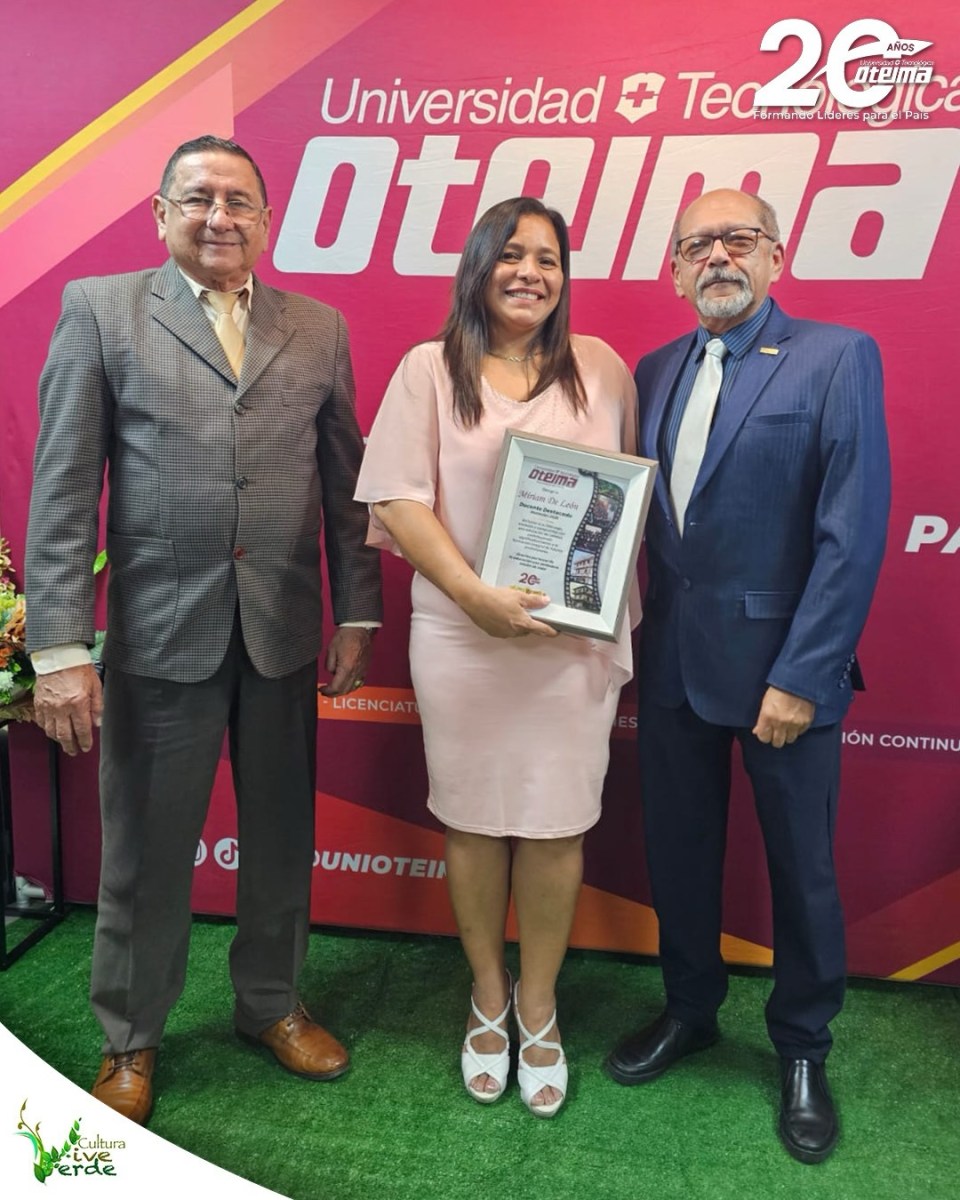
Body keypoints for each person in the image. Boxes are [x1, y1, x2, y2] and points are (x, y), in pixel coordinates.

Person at [24, 135, 382, 1125]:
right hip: (158, 636)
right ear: (161, 212)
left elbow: (347, 486)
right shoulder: (102, 310)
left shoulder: (318, 327)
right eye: (198, 198)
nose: (219, 216)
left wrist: (356, 608)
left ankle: (270, 1004)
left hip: (282, 631)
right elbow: (64, 488)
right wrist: (60, 649)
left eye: (238, 201)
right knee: (145, 849)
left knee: (281, 836)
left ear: (266, 219)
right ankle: (130, 1036)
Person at [606, 189, 890, 1163]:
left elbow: (851, 533)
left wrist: (804, 674)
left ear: (775, 255)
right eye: (697, 245)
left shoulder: (836, 357)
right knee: (679, 856)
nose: (717, 257)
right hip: (674, 668)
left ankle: (804, 1046)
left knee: (802, 873)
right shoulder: (655, 370)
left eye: (738, 239)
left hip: (785, 679)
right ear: (674, 271)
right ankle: (690, 1010)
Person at [355, 197, 638, 1118]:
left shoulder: (602, 368)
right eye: (511, 254)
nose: (529, 273)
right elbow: (398, 500)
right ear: (479, 266)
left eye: (547, 259)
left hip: (569, 650)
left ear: (565, 276)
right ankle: (487, 995)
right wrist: (475, 595)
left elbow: (623, 499)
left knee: (556, 827)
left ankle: (539, 1006)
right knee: (474, 821)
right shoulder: (428, 369)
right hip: (461, 637)